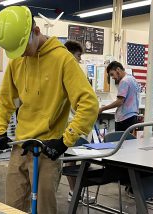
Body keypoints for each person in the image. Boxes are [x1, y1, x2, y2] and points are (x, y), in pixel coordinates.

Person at [0, 6, 99, 214]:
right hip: (20, 146)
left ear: (37, 31)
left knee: (43, 209)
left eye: (24, 47)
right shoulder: (17, 60)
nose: (21, 53)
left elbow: (89, 104)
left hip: (47, 150)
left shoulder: (63, 60)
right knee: (12, 207)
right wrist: (0, 131)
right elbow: (5, 99)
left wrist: (64, 141)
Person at [64, 40, 95, 203]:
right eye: (77, 55)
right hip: (69, 124)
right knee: (71, 160)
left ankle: (77, 191)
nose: (79, 59)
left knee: (81, 161)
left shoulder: (77, 73)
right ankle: (73, 191)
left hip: (79, 124)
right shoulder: (64, 72)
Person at [99, 61, 139, 132]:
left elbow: (119, 102)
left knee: (120, 141)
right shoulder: (132, 79)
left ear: (118, 70)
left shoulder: (124, 81)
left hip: (125, 119)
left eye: (112, 74)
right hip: (133, 116)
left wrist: (103, 108)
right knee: (130, 142)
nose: (113, 78)